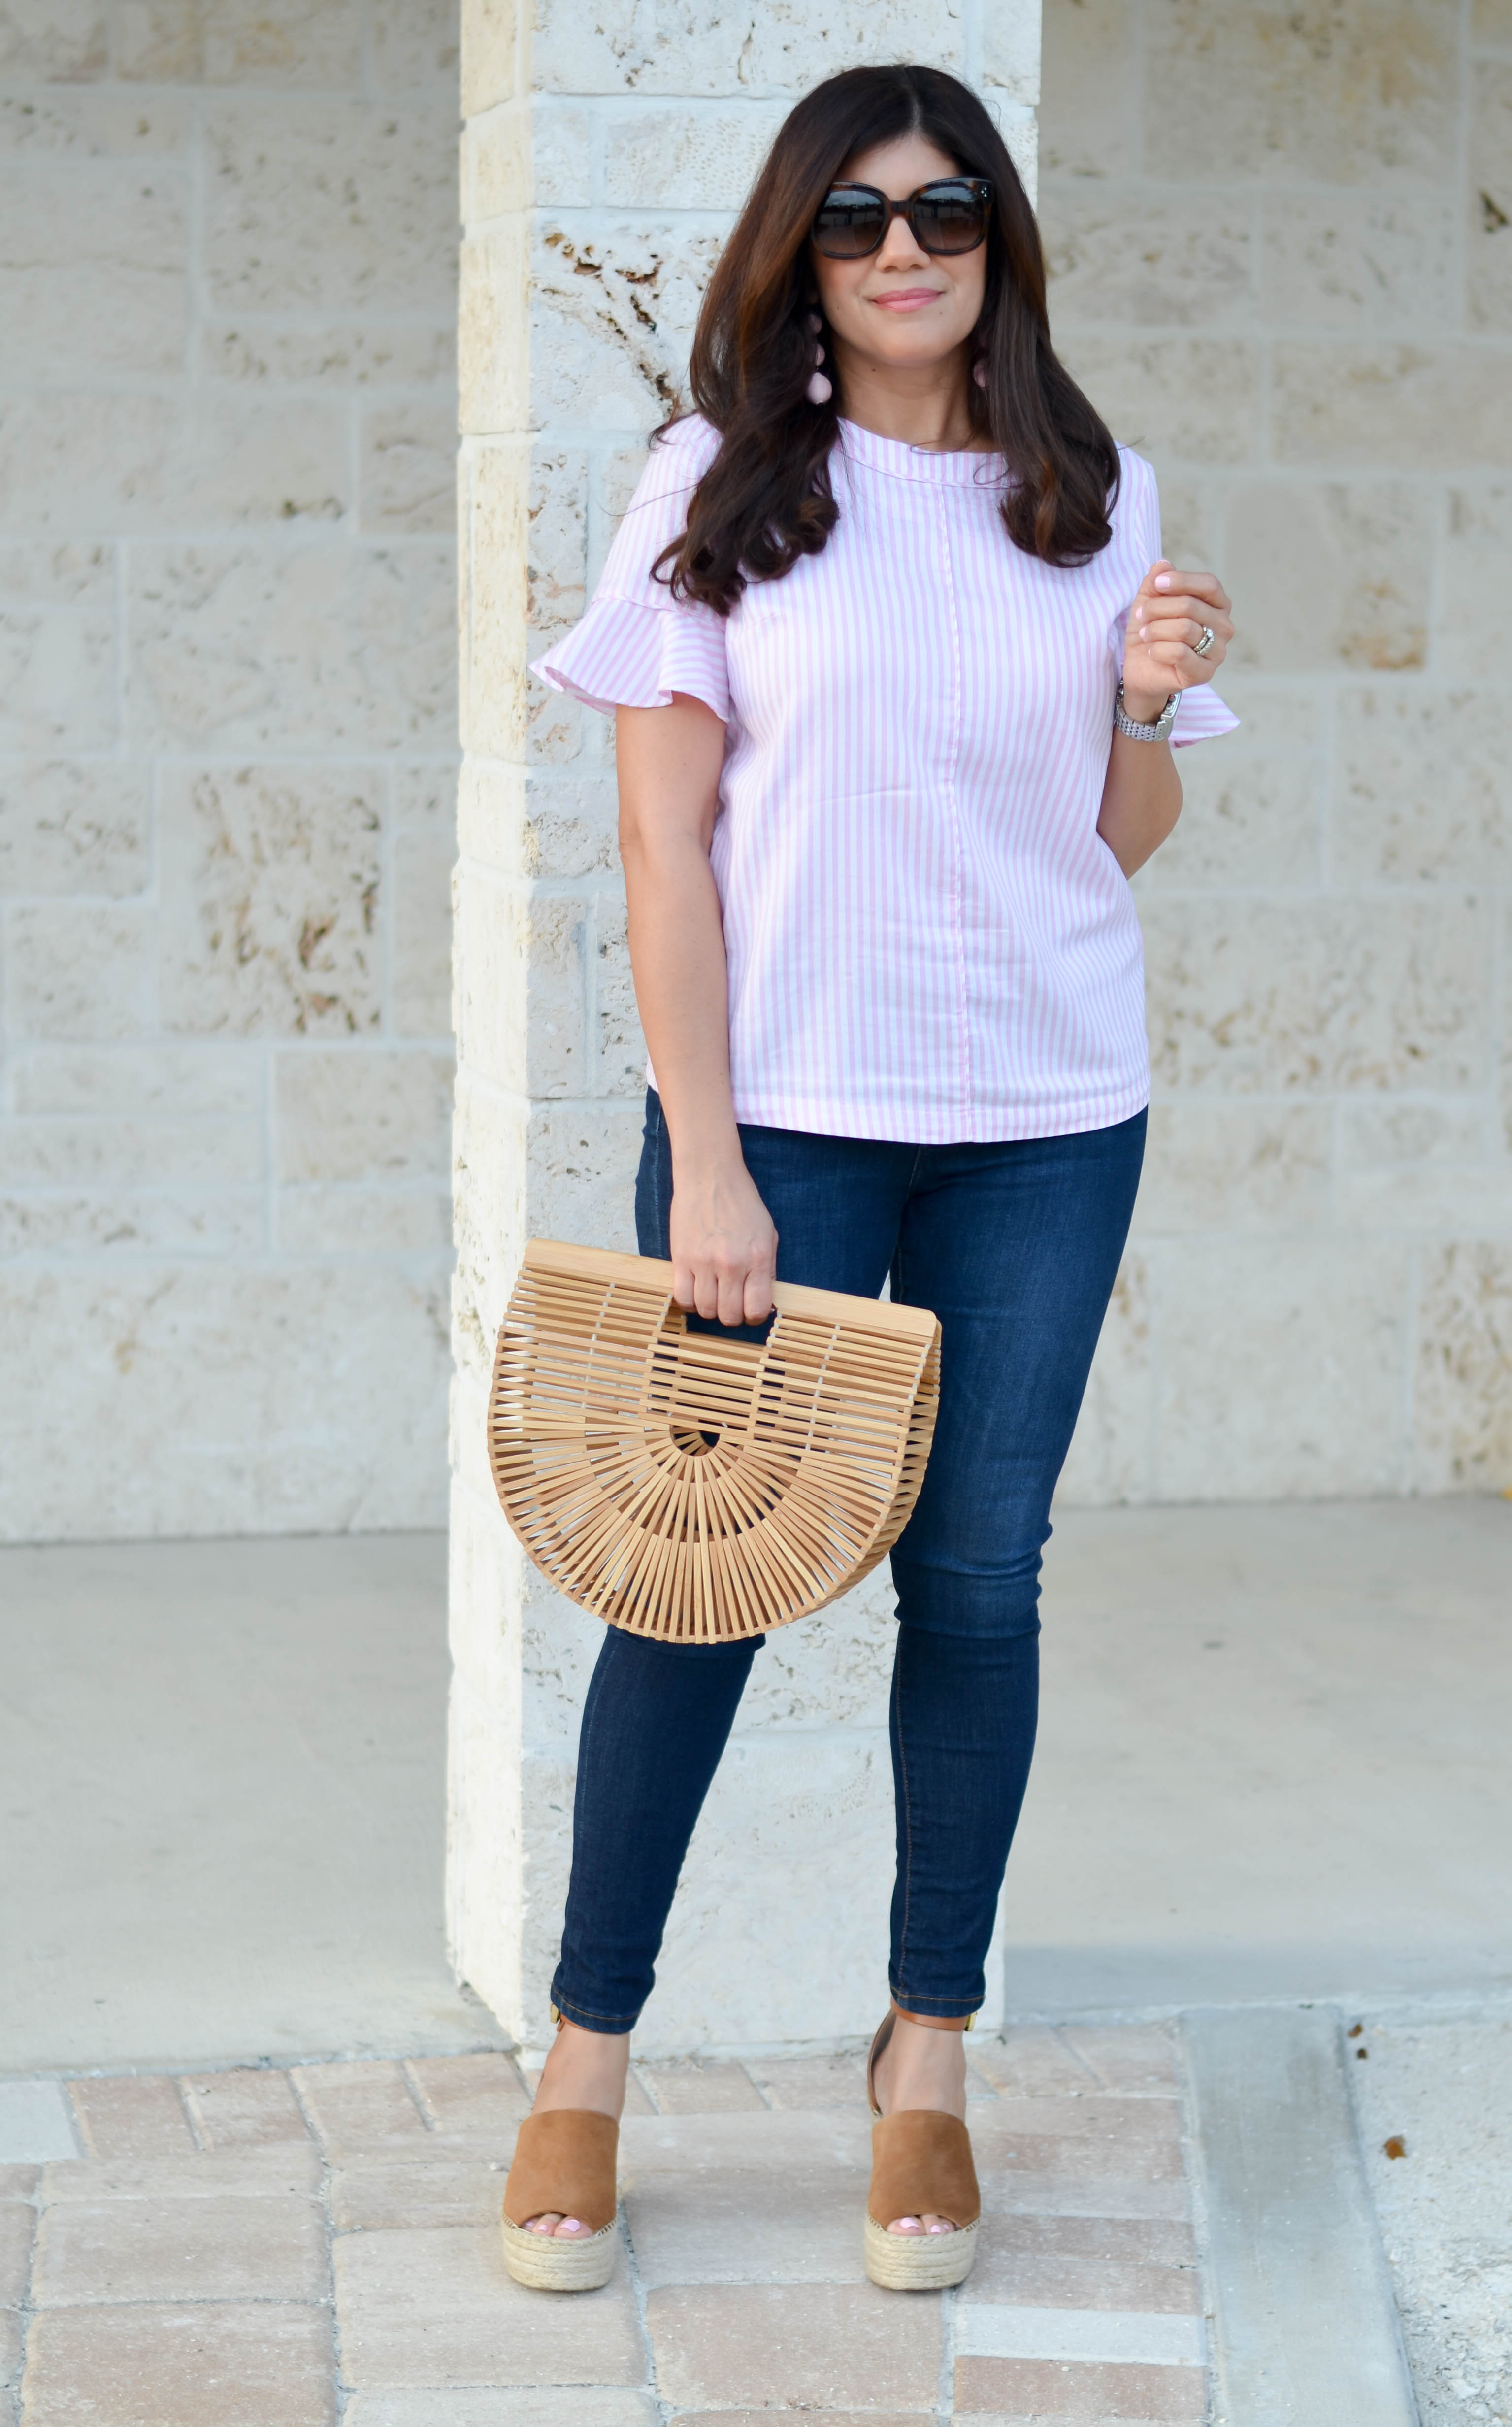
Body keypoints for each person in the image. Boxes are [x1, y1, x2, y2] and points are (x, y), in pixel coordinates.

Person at [500, 60, 1236, 2294]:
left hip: (1047, 1114)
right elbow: (660, 849)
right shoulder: (717, 484)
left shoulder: (1088, 494)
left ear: (997, 236)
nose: (903, 247)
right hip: (786, 1122)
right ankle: (584, 2060)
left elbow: (1113, 843)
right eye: (851, 215)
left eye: (943, 209)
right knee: (691, 1583)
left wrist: (1141, 698)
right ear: (793, 248)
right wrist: (704, 1160)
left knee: (983, 1584)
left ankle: (926, 2062)